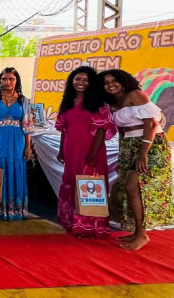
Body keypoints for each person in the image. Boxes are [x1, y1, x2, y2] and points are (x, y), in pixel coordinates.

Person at [102, 69, 173, 250]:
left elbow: (151, 123)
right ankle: (136, 231)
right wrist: (123, 151)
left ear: (124, 81)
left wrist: (143, 153)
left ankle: (142, 234)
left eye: (114, 80)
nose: (110, 84)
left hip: (150, 144)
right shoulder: (112, 103)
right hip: (129, 145)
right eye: (106, 82)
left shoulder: (136, 95)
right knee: (131, 189)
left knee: (133, 186)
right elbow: (122, 131)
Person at [55, 66, 115, 238]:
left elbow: (102, 129)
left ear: (91, 83)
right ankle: (72, 221)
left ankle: (89, 226)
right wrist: (61, 151)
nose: (81, 83)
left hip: (90, 148)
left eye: (85, 80)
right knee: (72, 182)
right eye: (77, 79)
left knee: (89, 185)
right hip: (70, 147)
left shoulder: (97, 103)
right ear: (71, 81)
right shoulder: (67, 101)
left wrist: (94, 153)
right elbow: (63, 129)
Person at [0, 67, 34, 221]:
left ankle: (13, 210)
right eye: (4, 79)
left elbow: (27, 125)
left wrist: (28, 147)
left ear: (16, 81)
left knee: (15, 171)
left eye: (11, 79)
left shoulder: (23, 100)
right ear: (0, 81)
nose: (8, 82)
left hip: (17, 143)